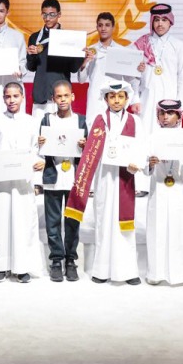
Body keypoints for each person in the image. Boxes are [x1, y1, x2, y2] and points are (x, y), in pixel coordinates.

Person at [65, 80, 142, 285]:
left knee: (124, 225)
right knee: (104, 220)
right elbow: (91, 150)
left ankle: (128, 271)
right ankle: (101, 269)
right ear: (106, 99)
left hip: (125, 176)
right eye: (112, 97)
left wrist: (138, 164)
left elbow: (141, 147)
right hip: (104, 177)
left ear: (127, 98)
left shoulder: (136, 121)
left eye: (120, 97)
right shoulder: (98, 120)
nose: (116, 101)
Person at [0, 82, 43, 283]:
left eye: (16, 96)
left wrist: (39, 162)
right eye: (8, 96)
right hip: (1, 181)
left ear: (22, 97)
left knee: (23, 222)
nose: (12, 100)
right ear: (3, 98)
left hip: (23, 181)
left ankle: (21, 267)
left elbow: (36, 150)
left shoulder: (32, 122)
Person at [141, 99, 183, 286]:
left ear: (179, 116)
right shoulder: (152, 137)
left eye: (170, 113)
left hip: (179, 190)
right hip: (159, 190)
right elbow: (143, 166)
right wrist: (149, 164)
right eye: (162, 113)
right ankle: (156, 271)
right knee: (158, 229)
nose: (166, 117)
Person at [36, 80, 86, 282]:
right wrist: (39, 143)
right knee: (53, 221)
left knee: (72, 221)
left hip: (74, 178)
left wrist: (84, 145)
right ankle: (56, 260)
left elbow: (89, 153)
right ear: (53, 99)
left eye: (66, 95)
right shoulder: (47, 120)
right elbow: (40, 150)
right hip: (53, 176)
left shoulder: (81, 121)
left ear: (73, 96)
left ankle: (71, 260)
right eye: (59, 96)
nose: (63, 99)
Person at [26, 0, 84, 117]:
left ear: (59, 15)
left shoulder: (68, 38)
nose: (48, 18)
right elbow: (31, 67)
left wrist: (79, 54)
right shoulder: (35, 37)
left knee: (60, 134)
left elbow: (73, 69)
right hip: (40, 94)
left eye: (52, 14)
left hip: (61, 95)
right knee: (38, 134)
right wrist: (31, 55)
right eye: (45, 14)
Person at [133, 3, 183, 121]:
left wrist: (181, 105)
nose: (160, 24)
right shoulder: (141, 43)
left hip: (171, 101)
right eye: (156, 20)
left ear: (170, 22)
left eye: (164, 20)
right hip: (146, 100)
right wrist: (135, 99)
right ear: (152, 21)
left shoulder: (178, 45)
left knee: (169, 137)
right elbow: (133, 76)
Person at [79, 12, 126, 127]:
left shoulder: (123, 51)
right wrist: (85, 62)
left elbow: (130, 79)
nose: (103, 28)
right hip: (96, 98)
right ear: (97, 28)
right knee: (93, 131)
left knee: (115, 130)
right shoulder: (90, 50)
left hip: (115, 97)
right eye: (100, 25)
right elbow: (81, 80)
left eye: (107, 25)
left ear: (113, 27)